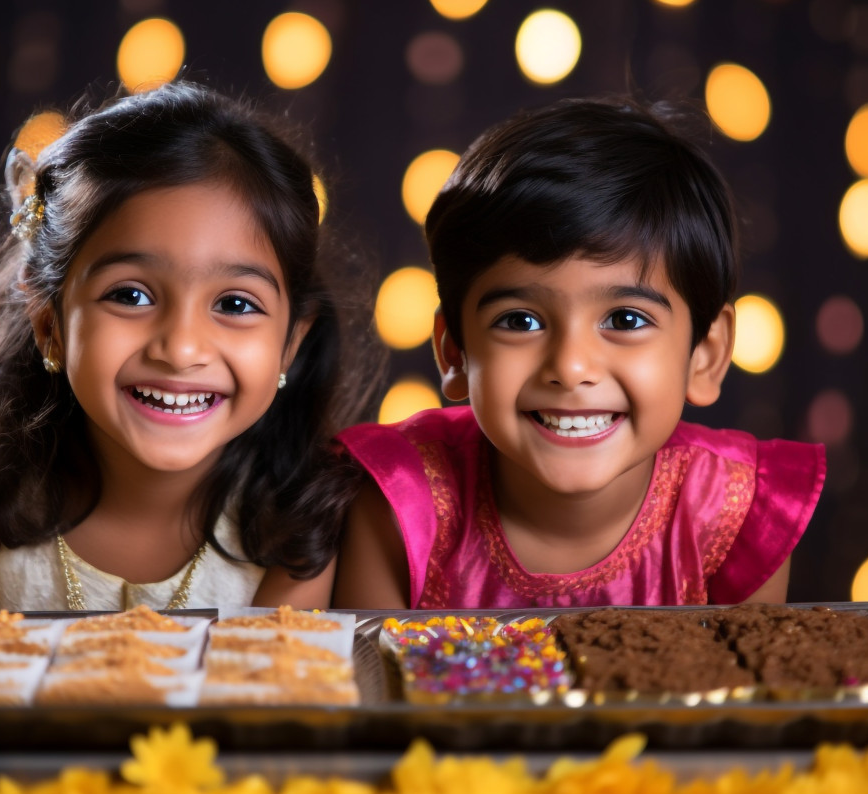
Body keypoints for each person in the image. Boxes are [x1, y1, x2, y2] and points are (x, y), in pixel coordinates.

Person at [0, 81, 383, 612]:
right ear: (50, 324)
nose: (181, 350)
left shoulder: (302, 529)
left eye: (234, 305)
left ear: (291, 342)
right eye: (131, 295)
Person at [331, 96, 826, 609]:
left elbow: (748, 684)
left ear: (706, 354)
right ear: (454, 353)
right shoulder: (399, 502)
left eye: (625, 320)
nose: (570, 367)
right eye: (520, 321)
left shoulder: (737, 516)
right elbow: (369, 683)